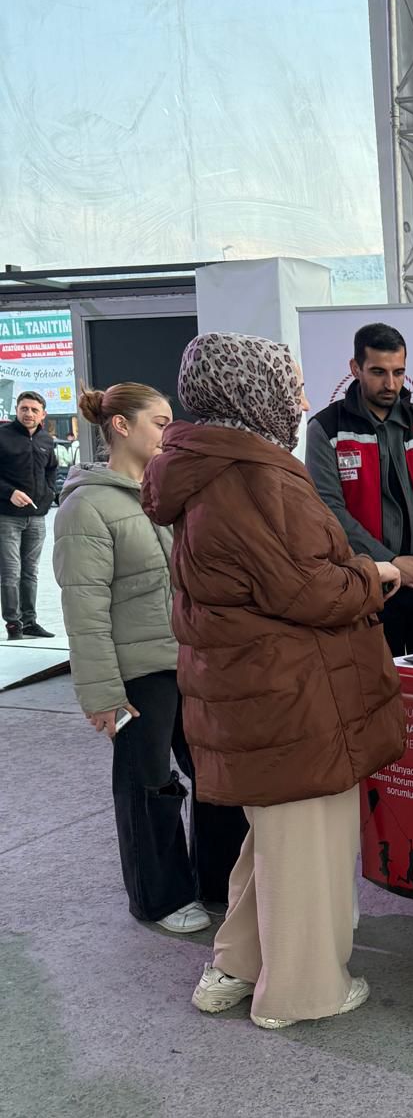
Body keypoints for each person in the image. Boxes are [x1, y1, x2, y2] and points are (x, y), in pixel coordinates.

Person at [142, 332, 408, 1029]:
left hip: (254, 692)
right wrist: (373, 575)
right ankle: (301, 992)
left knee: (274, 842)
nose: (301, 398)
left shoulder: (206, 466)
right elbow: (312, 591)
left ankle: (236, 964)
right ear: (248, 391)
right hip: (292, 696)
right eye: (288, 383)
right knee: (308, 851)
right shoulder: (255, 474)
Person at [52, 384, 247, 933]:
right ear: (120, 426)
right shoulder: (86, 505)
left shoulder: (169, 493)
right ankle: (159, 898)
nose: (170, 432)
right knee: (149, 783)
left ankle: (218, 881)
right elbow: (83, 611)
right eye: (160, 422)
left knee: (214, 774)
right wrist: (103, 696)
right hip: (139, 672)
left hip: (193, 657)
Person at [306, 322, 413, 657]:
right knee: (373, 693)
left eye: (398, 372)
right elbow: (328, 509)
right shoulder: (327, 427)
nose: (390, 383)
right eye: (378, 371)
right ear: (355, 368)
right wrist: (391, 563)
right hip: (368, 585)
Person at [0, 389, 59, 639]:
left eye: (34, 410)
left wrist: (48, 494)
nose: (29, 413)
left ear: (42, 414)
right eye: (24, 408)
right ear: (17, 410)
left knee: (30, 572)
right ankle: (13, 625)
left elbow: (51, 469)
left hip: (36, 517)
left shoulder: (46, 440)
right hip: (7, 516)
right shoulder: (2, 436)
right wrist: (9, 492)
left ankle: (30, 622)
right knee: (10, 571)